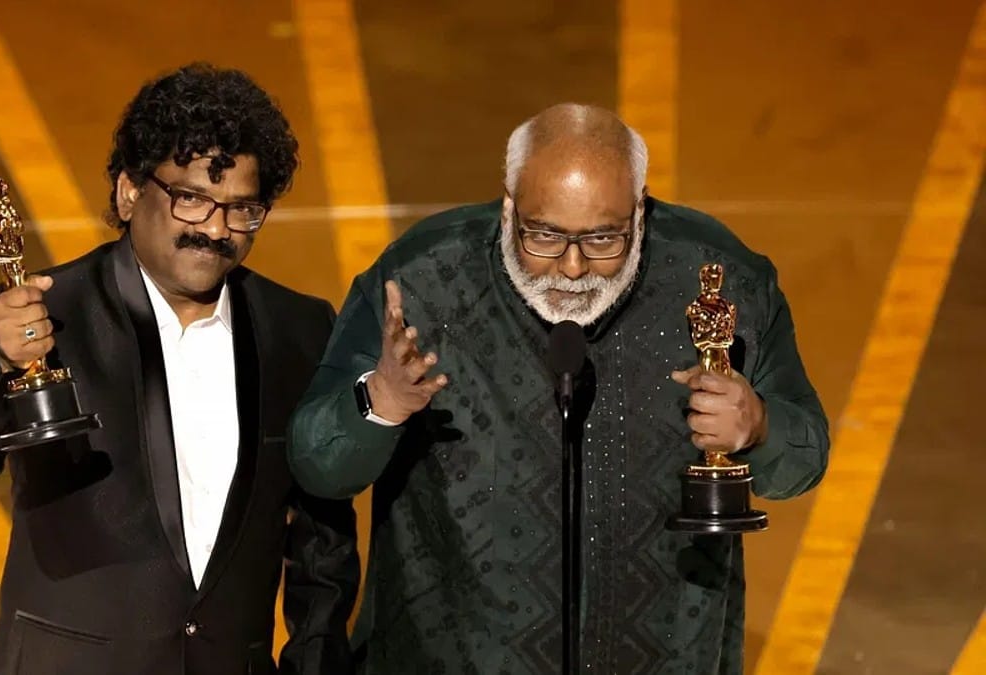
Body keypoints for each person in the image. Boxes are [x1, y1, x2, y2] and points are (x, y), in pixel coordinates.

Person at [286, 103, 829, 674]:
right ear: (507, 206)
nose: (572, 269)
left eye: (602, 240)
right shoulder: (421, 282)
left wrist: (760, 427)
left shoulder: (721, 279)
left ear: (641, 212)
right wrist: (381, 401)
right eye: (543, 236)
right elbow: (317, 465)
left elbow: (805, 458)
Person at [0, 63, 358, 675]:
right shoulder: (48, 313)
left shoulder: (299, 327)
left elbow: (322, 535)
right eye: (192, 199)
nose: (216, 230)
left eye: (242, 210)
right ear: (130, 193)